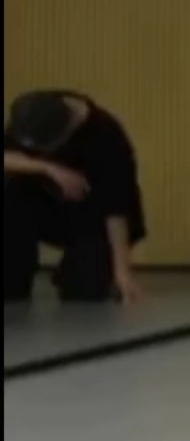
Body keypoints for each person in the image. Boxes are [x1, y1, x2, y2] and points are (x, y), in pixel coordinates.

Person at [4, 90, 144, 304]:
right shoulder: (33, 113)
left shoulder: (107, 136)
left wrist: (122, 272)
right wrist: (48, 168)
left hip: (94, 220)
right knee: (12, 191)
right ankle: (13, 278)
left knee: (84, 290)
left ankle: (74, 271)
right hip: (46, 206)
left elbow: (117, 211)